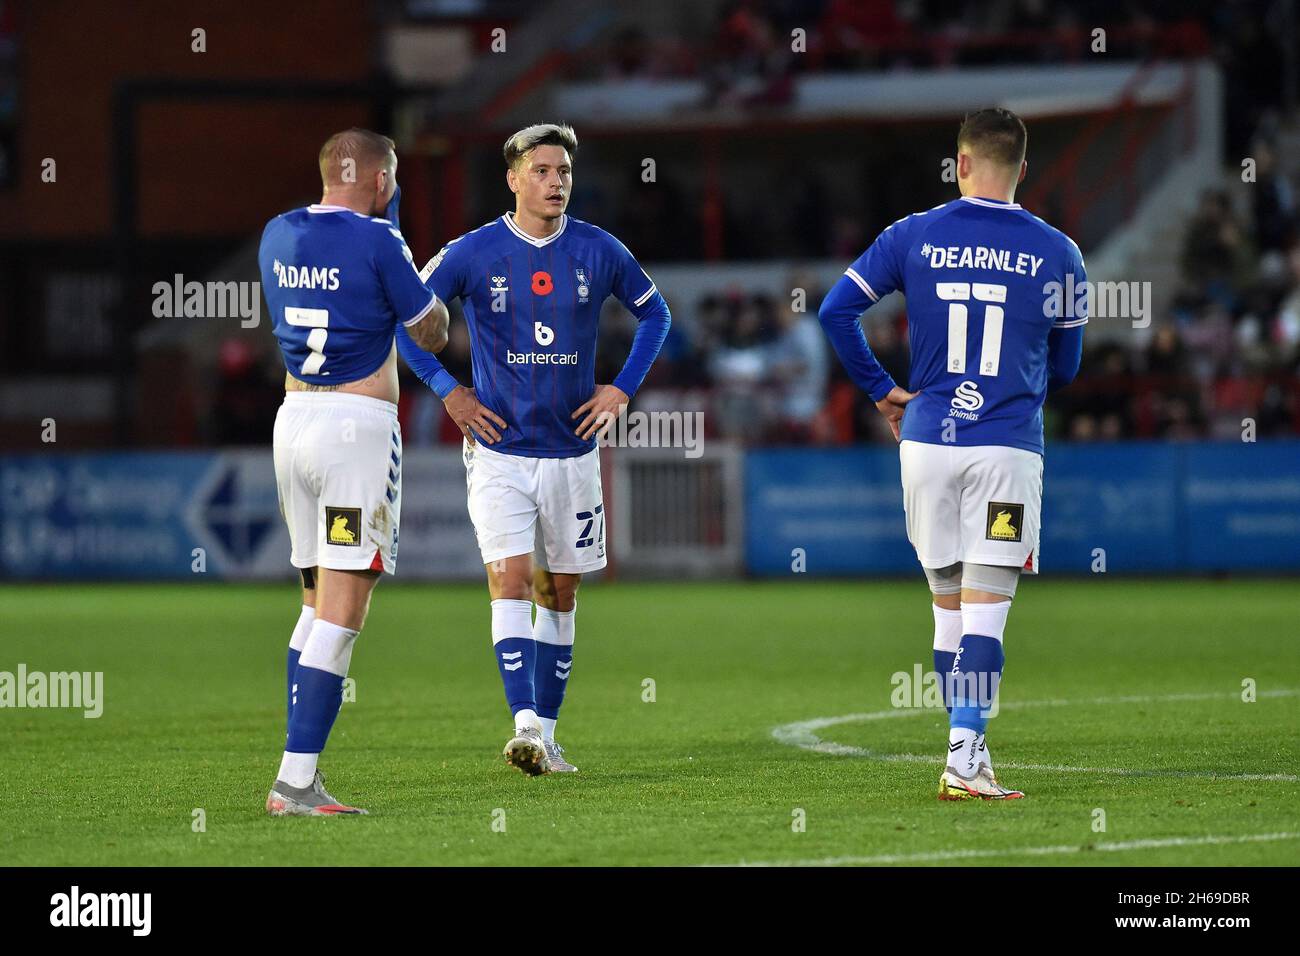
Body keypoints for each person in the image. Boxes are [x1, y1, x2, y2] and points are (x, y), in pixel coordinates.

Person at [818, 108, 1086, 799]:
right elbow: (1070, 366)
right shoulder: (1060, 253)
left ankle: (968, 749)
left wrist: (882, 390)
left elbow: (834, 311)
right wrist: (1012, 388)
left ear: (960, 163)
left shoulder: (912, 234)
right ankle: (964, 757)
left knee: (948, 610)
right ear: (1023, 169)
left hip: (927, 440)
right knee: (987, 609)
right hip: (1005, 446)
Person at [397, 123, 671, 775]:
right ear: (514, 178)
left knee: (561, 591)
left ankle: (547, 736)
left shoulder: (599, 249)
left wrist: (621, 389)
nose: (556, 183)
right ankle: (522, 724)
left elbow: (656, 315)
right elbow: (408, 324)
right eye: (542, 171)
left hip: (573, 452)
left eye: (564, 172)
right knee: (510, 579)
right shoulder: (472, 252)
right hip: (500, 451)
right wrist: (448, 391)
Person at [258, 128, 448, 814]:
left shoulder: (275, 234)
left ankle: (297, 772)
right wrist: (414, 275)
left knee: (312, 603)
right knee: (344, 609)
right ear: (380, 182)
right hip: (354, 433)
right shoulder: (381, 243)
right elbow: (429, 330)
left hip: (292, 422)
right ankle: (296, 782)